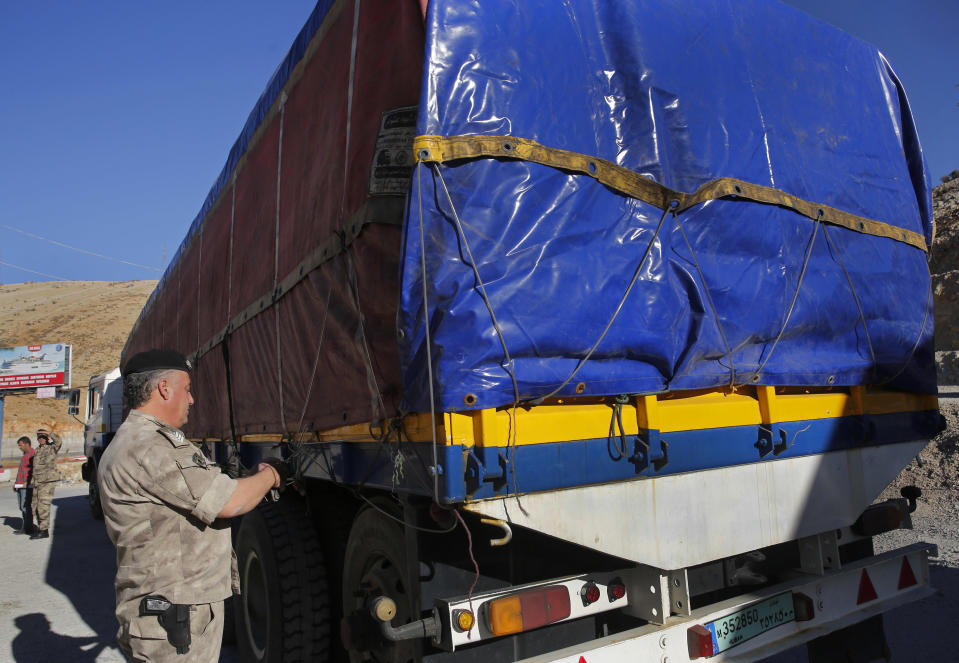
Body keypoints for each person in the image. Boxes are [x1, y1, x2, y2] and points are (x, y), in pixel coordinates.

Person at [98, 349, 287, 663]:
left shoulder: (130, 442)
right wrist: (271, 475)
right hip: (172, 615)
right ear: (164, 389)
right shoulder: (151, 448)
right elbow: (229, 501)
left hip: (163, 608)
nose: (192, 399)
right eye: (187, 389)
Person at [30, 427, 62, 540]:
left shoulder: (52, 448)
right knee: (35, 506)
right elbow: (35, 467)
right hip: (38, 482)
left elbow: (59, 441)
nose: (41, 439)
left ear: (47, 438)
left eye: (43, 437)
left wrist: (49, 433)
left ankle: (44, 530)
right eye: (39, 437)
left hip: (48, 481)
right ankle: (40, 527)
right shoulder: (37, 450)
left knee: (43, 505)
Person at [13, 436, 35, 535]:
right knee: (22, 507)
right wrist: (16, 483)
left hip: (27, 486)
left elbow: (34, 470)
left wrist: (29, 481)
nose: (19, 447)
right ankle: (25, 527)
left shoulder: (33, 455)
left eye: (20, 445)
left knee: (26, 507)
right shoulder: (24, 455)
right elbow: (21, 472)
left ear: (27, 444)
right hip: (20, 486)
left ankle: (28, 528)